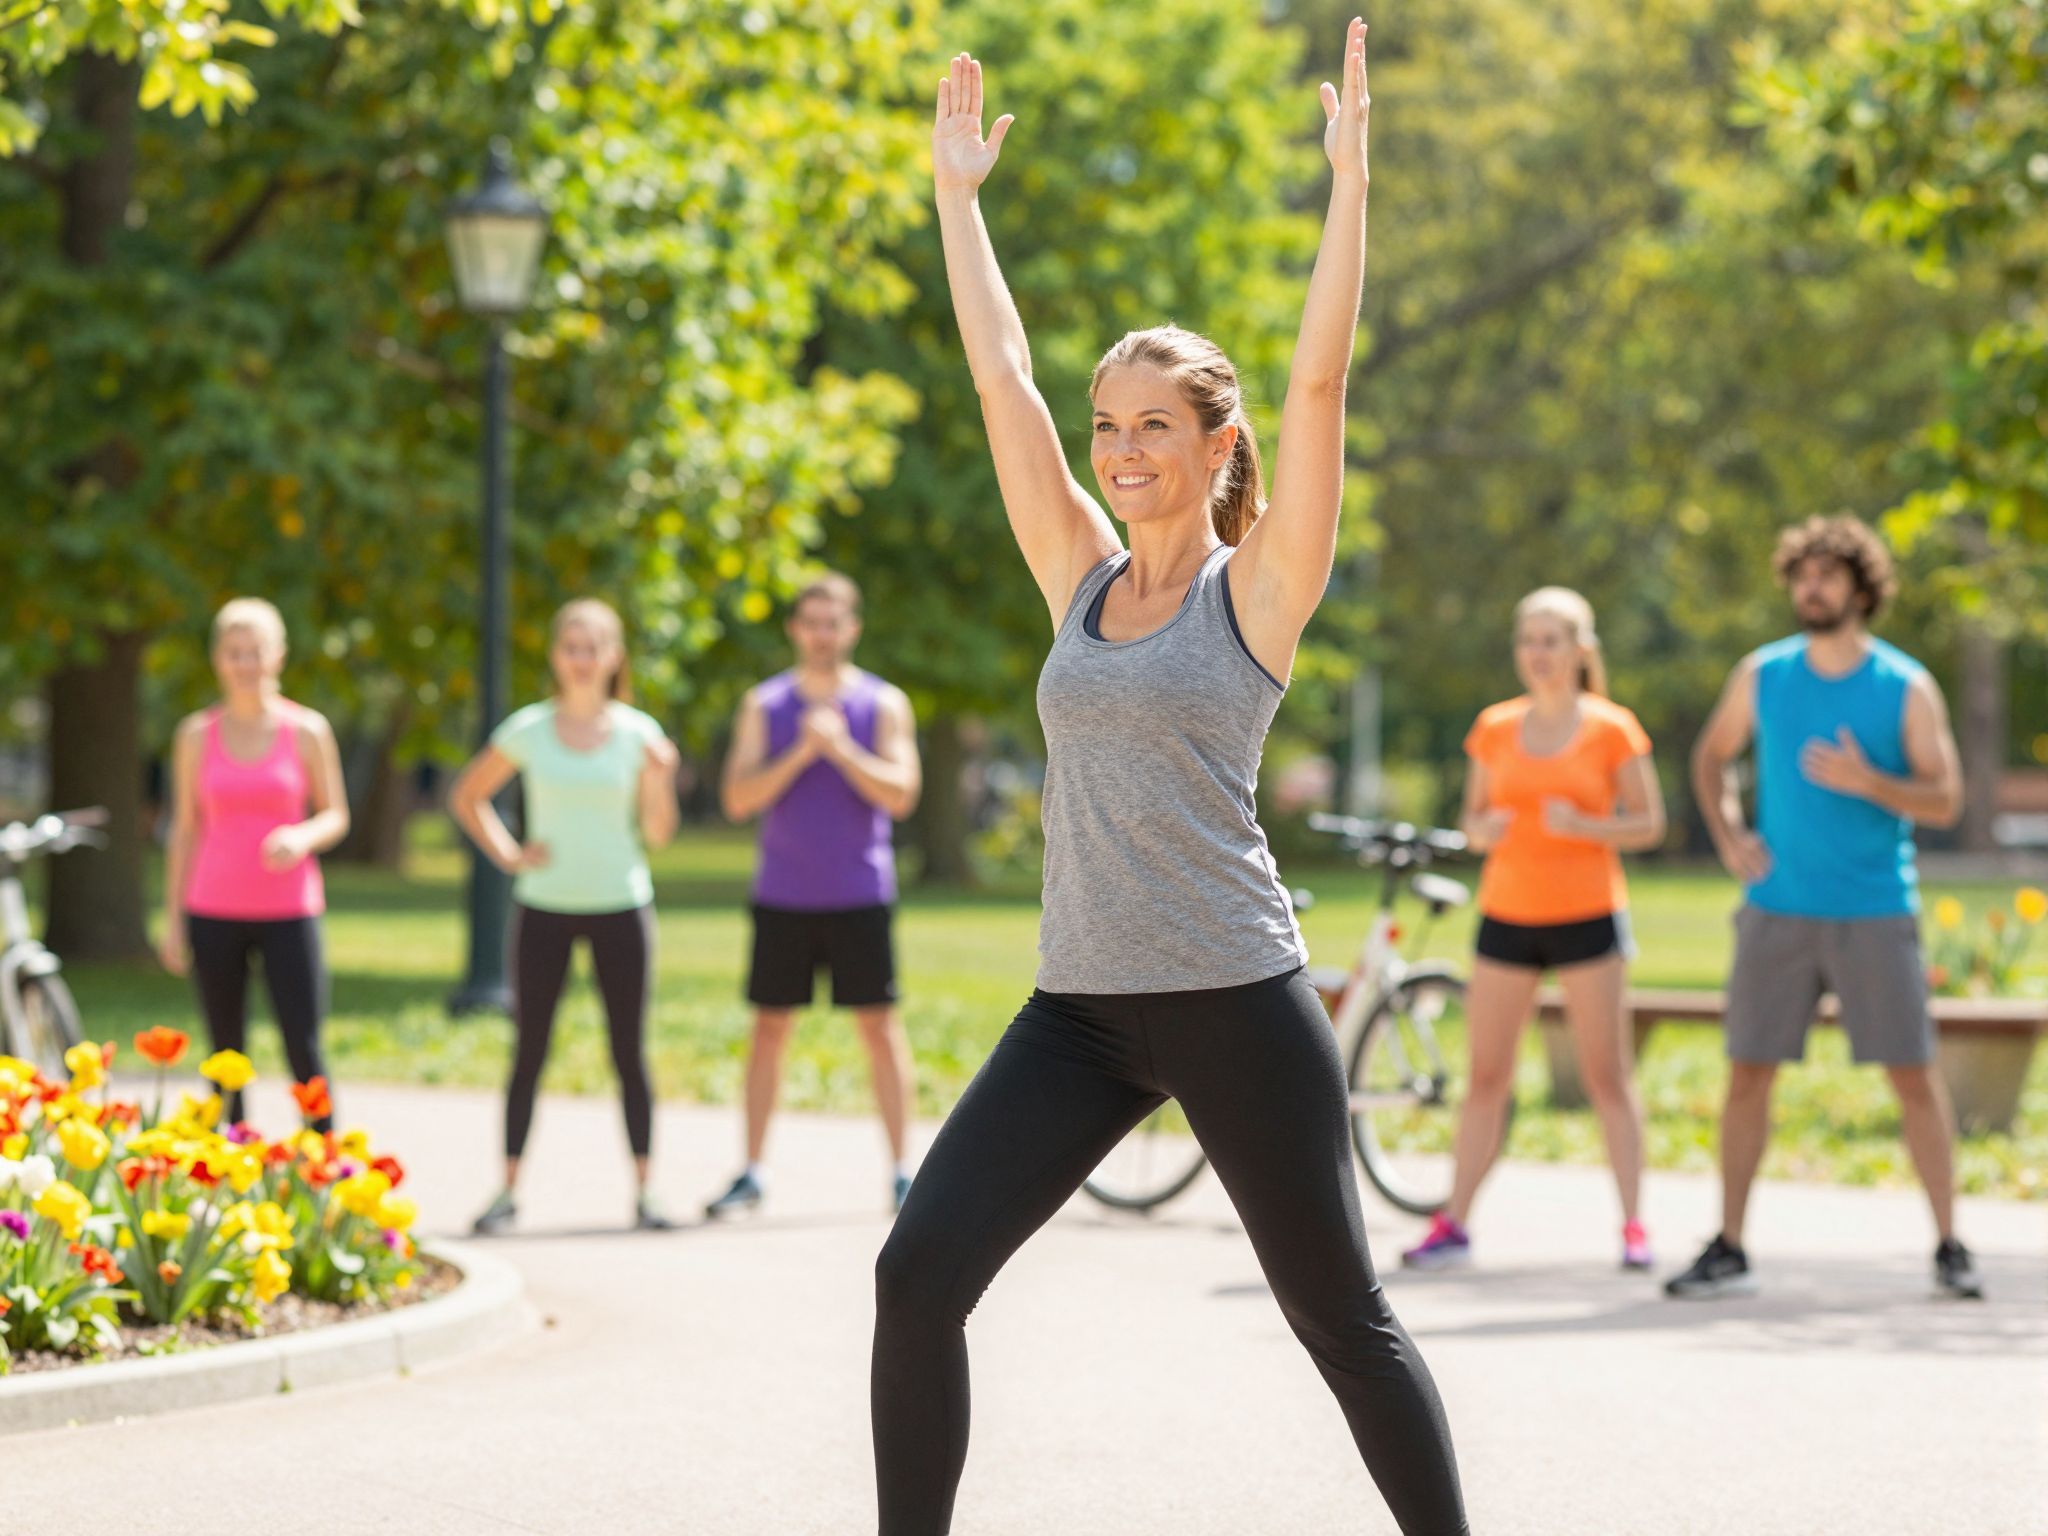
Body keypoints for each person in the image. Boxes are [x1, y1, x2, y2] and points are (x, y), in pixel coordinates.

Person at [873, 32, 1467, 1535]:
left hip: (1233, 997)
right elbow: (1002, 381)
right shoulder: (1077, 577)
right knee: (917, 1274)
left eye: (1154, 426)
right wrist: (957, 203)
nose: (1121, 450)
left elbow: (1319, 380)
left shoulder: (1255, 590)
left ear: (1215, 446)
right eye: (1109, 426)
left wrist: (1350, 186)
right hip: (1079, 1008)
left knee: (1341, 1323)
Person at [1670, 515, 1982, 1301]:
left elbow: (1946, 799)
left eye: (1828, 575)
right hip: (1776, 908)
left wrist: (1868, 781)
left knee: (1913, 1077)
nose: (1811, 588)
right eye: (1802, 576)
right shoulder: (1763, 674)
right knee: (1747, 1075)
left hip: (1875, 910)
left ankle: (1950, 1245)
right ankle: (1729, 1246)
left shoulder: (1904, 686)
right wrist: (1730, 833)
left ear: (1861, 589)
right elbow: (1711, 756)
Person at [1403, 587, 1664, 1273]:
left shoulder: (1613, 728)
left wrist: (1585, 826)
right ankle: (1454, 1224)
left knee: (1607, 1077)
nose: (1538, 654)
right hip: (1507, 918)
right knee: (1486, 1076)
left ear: (1581, 650)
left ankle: (1634, 1226)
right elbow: (1472, 820)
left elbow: (1649, 824)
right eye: (1528, 641)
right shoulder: (1493, 726)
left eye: (1551, 641)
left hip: (1588, 917)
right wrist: (1482, 830)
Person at [450, 599, 681, 1234]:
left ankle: (647, 1192)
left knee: (629, 1050)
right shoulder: (528, 729)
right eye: (571, 647)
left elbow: (659, 834)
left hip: (621, 905)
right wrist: (509, 854)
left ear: (614, 657)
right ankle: (506, 1191)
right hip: (544, 907)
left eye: (593, 647)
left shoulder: (638, 734)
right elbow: (468, 796)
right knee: (529, 1049)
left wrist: (661, 780)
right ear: (556, 656)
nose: (582, 659)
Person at [705, 573, 923, 1218]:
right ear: (795, 630)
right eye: (812, 623)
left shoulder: (884, 704)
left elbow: (901, 794)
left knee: (880, 1028)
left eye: (834, 623)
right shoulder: (764, 704)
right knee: (769, 1029)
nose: (823, 634)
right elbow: (738, 798)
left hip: (860, 892)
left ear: (851, 629)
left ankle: (904, 1174)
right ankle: (751, 1172)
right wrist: (802, 751)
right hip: (783, 893)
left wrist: (842, 750)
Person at [158, 598, 349, 1131]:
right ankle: (228, 1164)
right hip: (212, 908)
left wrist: (302, 836)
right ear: (217, 659)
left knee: (304, 1046)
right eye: (234, 652)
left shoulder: (307, 730)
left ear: (278, 655)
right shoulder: (195, 735)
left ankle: (323, 1165)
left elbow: (336, 814)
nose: (246, 663)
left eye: (256, 651)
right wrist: (173, 920)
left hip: (291, 910)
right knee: (225, 1054)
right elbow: (185, 829)